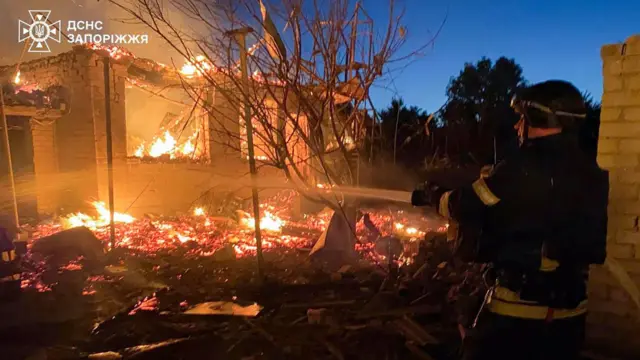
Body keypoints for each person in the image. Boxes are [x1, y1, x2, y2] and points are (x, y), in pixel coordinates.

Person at [411, 80, 608, 360]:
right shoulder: (590, 170)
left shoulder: (521, 167)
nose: (517, 127)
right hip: (571, 317)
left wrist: (434, 196)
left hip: (518, 317)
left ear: (539, 118)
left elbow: (464, 205)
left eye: (522, 119)